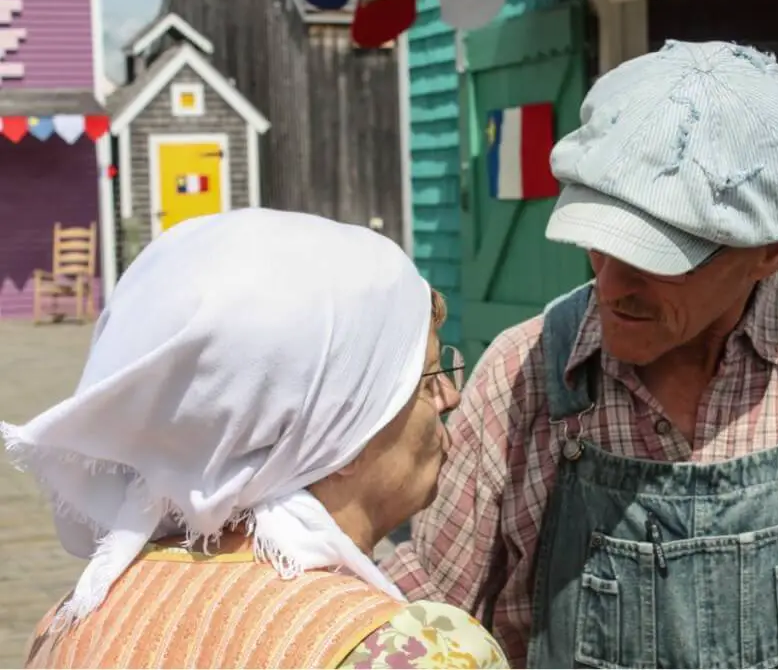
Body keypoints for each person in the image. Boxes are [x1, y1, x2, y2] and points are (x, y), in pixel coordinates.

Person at [382, 40, 778, 669]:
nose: (608, 287)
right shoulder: (523, 381)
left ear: (773, 249)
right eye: (601, 244)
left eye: (656, 260)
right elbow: (419, 625)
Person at [3, 209, 509, 669]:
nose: (449, 398)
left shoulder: (69, 625)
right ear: (340, 434)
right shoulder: (421, 654)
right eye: (425, 378)